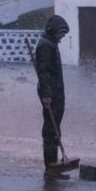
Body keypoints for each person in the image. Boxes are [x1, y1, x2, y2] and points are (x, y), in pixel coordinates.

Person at [34, 14, 70, 177]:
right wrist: (47, 94)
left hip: (56, 92)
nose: (62, 37)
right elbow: (44, 72)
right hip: (51, 94)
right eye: (61, 33)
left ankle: (53, 167)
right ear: (53, 31)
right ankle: (50, 169)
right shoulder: (46, 46)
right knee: (51, 130)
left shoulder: (51, 44)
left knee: (55, 129)